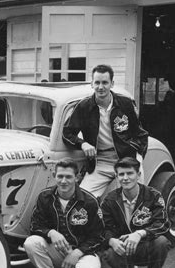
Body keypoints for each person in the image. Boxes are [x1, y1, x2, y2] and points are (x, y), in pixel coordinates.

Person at [23, 158, 104, 268]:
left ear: (77, 177)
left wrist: (77, 253)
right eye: (60, 176)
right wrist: (51, 233)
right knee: (31, 243)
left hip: (83, 253)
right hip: (58, 251)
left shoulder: (89, 201)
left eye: (68, 176)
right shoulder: (45, 197)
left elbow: (99, 237)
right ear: (54, 175)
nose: (64, 181)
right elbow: (35, 226)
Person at [62, 64, 149, 199]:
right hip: (99, 161)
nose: (100, 87)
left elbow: (140, 133)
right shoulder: (84, 106)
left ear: (112, 84)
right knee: (83, 199)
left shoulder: (125, 104)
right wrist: (83, 144)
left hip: (125, 158)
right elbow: (67, 133)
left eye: (105, 82)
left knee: (134, 199)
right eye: (97, 82)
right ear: (92, 83)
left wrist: (137, 158)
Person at [101, 157, 171, 268]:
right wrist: (112, 240)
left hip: (144, 245)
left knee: (162, 242)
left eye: (130, 173)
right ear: (116, 177)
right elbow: (103, 227)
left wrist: (140, 234)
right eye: (121, 174)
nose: (125, 178)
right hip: (121, 248)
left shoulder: (153, 196)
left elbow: (162, 223)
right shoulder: (110, 200)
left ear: (138, 175)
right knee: (109, 251)